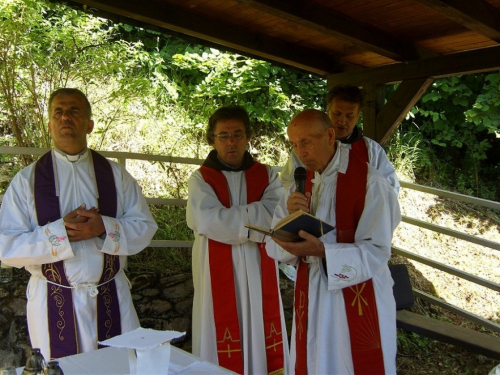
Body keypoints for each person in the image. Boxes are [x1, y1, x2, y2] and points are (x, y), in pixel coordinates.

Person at [0, 88, 158, 361]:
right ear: (49, 125)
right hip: (53, 300)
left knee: (120, 368)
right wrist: (60, 234)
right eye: (58, 112)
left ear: (89, 124)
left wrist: (104, 228)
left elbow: (145, 227)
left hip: (112, 298)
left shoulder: (115, 175)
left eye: (74, 111)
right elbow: (6, 246)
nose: (65, 118)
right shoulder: (27, 181)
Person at [266, 109, 401, 374]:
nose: (300, 152)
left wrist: (324, 251)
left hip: (357, 295)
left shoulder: (370, 183)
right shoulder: (298, 185)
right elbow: (273, 244)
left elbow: (377, 250)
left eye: (306, 142)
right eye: (294, 144)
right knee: (315, 360)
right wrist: (290, 223)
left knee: (349, 363)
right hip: (313, 293)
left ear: (330, 135)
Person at [186, 105, 288, 375]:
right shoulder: (200, 180)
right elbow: (206, 221)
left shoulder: (266, 175)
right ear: (212, 139)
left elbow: (277, 216)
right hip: (215, 271)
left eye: (237, 134)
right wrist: (256, 218)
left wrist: (228, 221)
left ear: (247, 137)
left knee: (261, 325)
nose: (231, 142)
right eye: (223, 135)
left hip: (259, 268)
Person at [280, 84, 400, 194]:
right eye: (337, 113)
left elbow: (389, 190)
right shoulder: (304, 146)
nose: (342, 121)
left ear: (358, 116)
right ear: (328, 110)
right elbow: (286, 183)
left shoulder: (372, 150)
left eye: (349, 116)